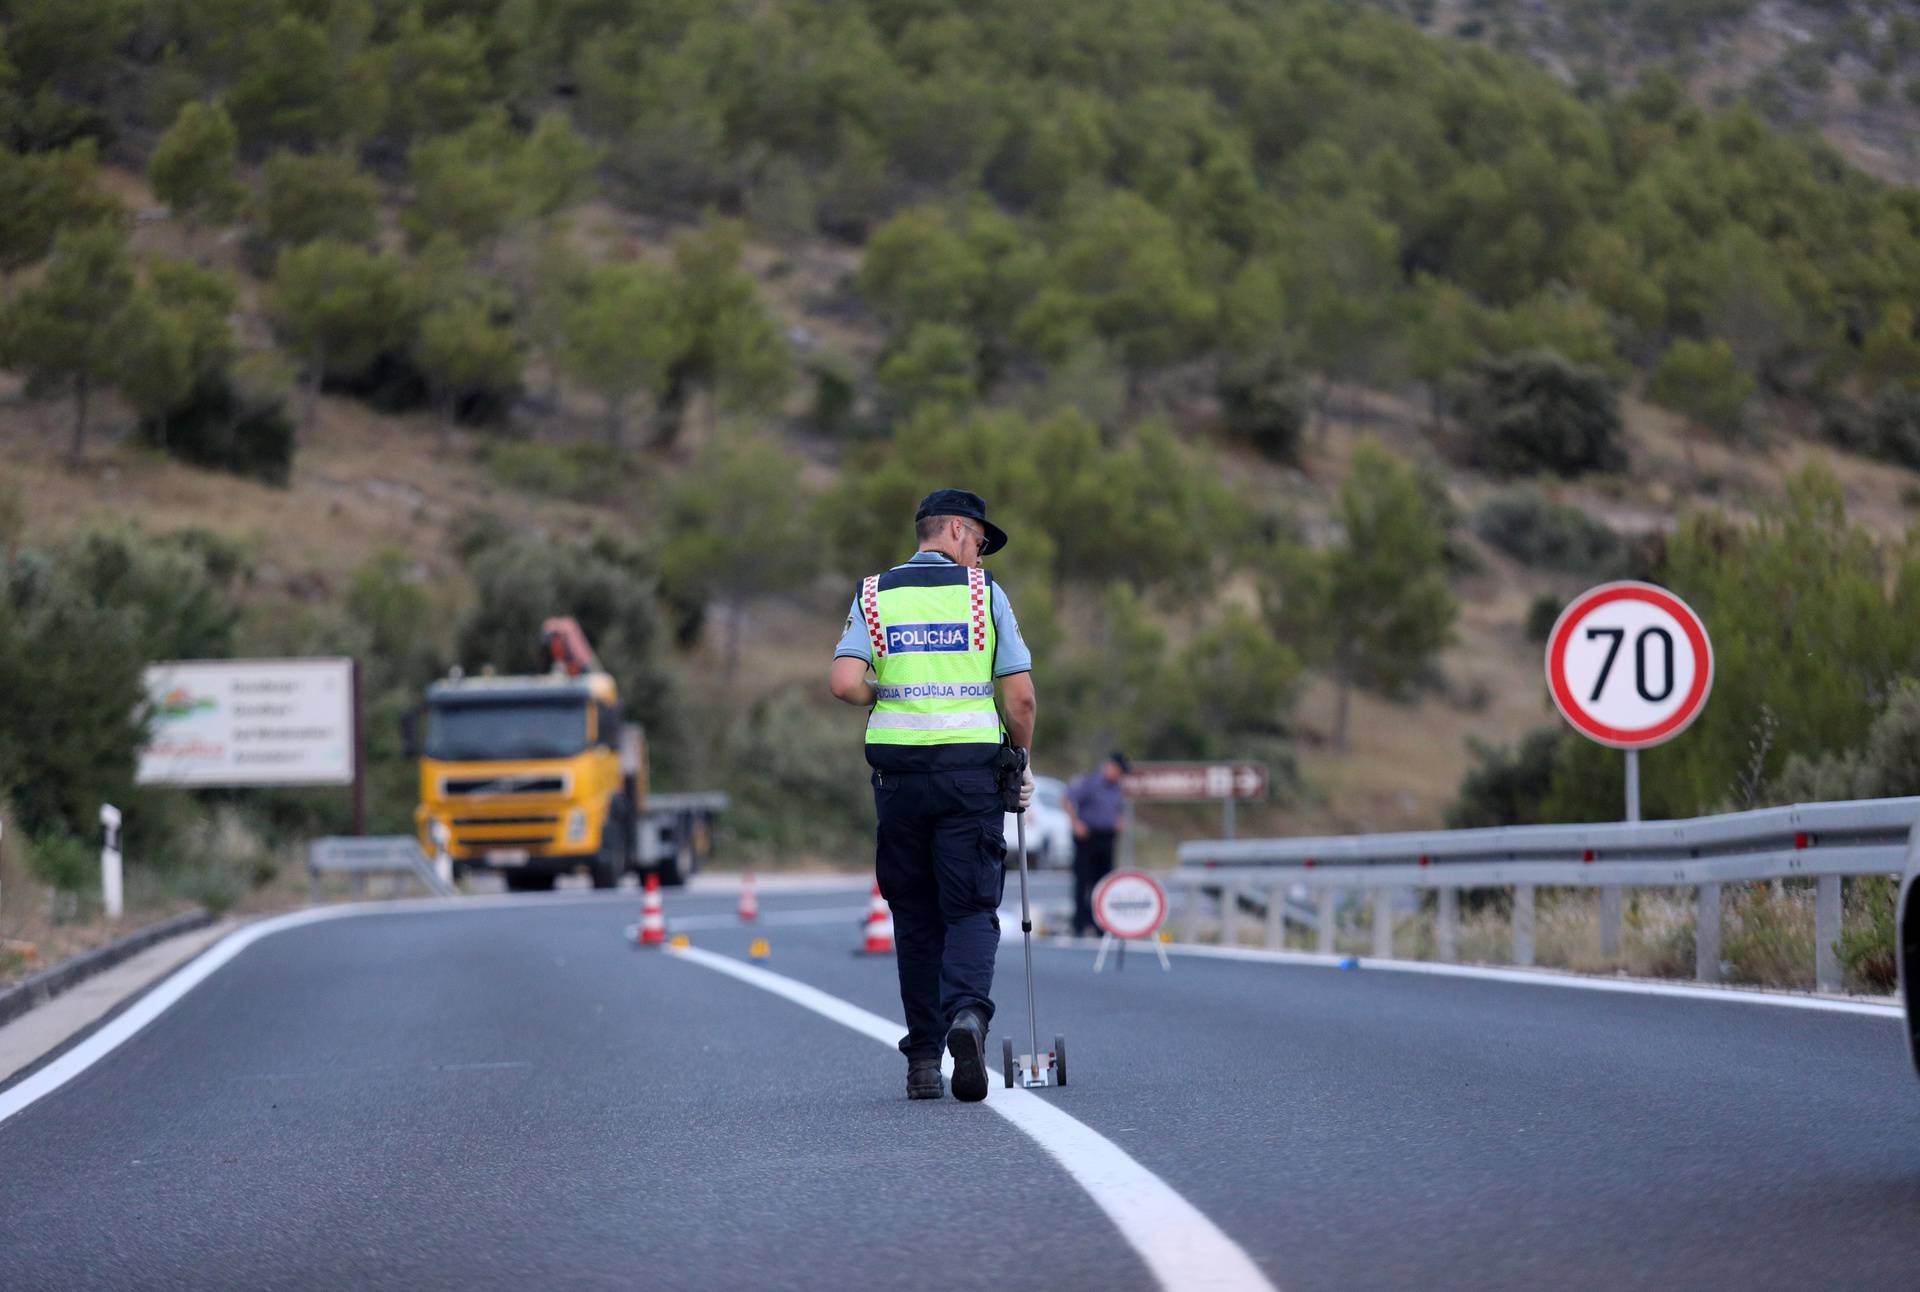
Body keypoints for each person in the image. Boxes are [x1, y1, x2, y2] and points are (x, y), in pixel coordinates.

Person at [828, 488, 1036, 1102]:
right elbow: (1020, 698)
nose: (978, 555)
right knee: (971, 908)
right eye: (976, 540)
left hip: (898, 785)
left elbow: (843, 683)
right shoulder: (984, 595)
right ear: (951, 530)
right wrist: (1020, 756)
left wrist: (887, 694)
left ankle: (923, 1063)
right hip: (970, 780)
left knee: (914, 918)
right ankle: (967, 1017)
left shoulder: (873, 593)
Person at [1064, 752, 1130, 938]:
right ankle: (1080, 924)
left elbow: (1117, 808)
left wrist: (1118, 821)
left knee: (1104, 882)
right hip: (1088, 837)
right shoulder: (1090, 783)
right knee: (1083, 881)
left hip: (1107, 838)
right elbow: (1067, 799)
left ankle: (1101, 924)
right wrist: (1075, 823)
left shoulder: (1116, 788)